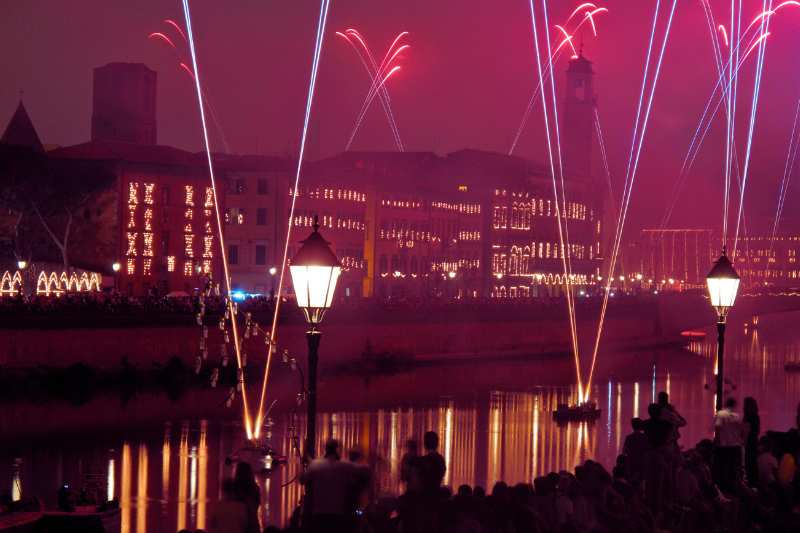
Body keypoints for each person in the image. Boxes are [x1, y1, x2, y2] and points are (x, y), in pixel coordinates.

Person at [300, 439, 363, 533]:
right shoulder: (345, 466)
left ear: (326, 449)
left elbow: (302, 480)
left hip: (318, 513)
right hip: (339, 514)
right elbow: (363, 473)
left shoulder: (315, 465)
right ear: (337, 450)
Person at [713, 397, 747, 492]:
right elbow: (742, 431)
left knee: (723, 469)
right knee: (733, 469)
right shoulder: (737, 416)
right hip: (735, 447)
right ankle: (732, 488)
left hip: (723, 446)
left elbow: (718, 429)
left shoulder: (720, 414)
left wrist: (716, 441)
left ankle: (723, 489)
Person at [233, 462, 261, 533]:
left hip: (237, 523)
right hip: (252, 522)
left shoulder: (235, 488)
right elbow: (257, 504)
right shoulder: (254, 488)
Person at [622, 417, 649, 486]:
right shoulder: (645, 437)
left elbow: (624, 451)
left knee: (631, 483)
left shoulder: (629, 438)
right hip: (642, 463)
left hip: (631, 463)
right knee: (642, 482)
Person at [743, 396, 761, 487]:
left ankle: (751, 485)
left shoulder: (747, 416)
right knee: (753, 464)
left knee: (749, 464)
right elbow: (757, 431)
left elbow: (746, 431)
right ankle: (755, 485)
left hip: (749, 444)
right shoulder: (756, 416)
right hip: (754, 442)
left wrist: (743, 444)